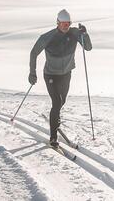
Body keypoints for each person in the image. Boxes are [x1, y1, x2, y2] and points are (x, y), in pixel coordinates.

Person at [29, 8, 92, 147]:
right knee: (57, 102)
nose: (65, 26)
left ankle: (54, 117)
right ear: (57, 23)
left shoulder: (75, 33)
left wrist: (85, 34)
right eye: (63, 23)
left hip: (66, 74)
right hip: (50, 75)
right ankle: (53, 137)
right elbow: (34, 53)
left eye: (68, 23)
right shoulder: (48, 37)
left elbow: (88, 48)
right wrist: (32, 73)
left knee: (61, 102)